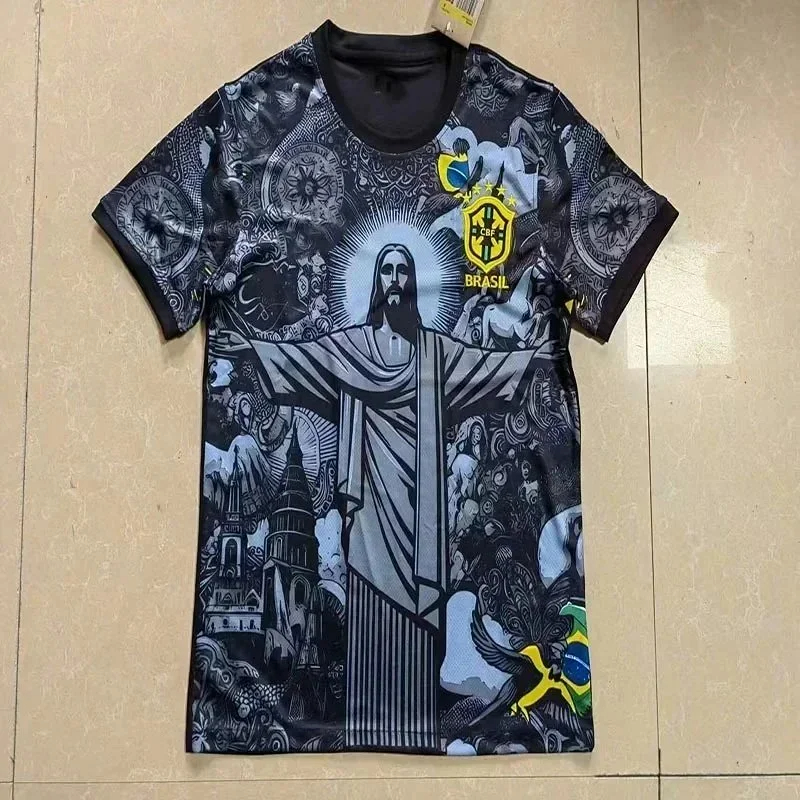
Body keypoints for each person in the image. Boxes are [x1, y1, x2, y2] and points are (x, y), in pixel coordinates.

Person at [211, 242, 548, 751]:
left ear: (413, 282)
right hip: (370, 504)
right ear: (375, 282)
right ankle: (363, 718)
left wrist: (532, 357)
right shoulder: (353, 348)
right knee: (370, 600)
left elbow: (483, 367)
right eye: (386, 270)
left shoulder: (435, 352)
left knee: (420, 609)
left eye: (403, 270)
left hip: (422, 508)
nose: (395, 279)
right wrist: (250, 349)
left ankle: (420, 720)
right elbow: (304, 358)